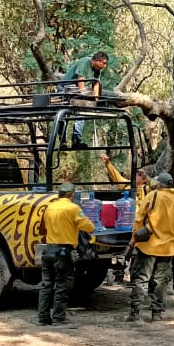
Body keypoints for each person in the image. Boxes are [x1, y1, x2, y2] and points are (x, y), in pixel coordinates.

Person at [126, 171, 174, 322]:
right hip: (168, 248)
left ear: (159, 184)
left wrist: (134, 238)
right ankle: (156, 314)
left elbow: (139, 219)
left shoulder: (152, 195)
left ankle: (135, 313)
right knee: (161, 281)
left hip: (148, 246)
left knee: (141, 279)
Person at [37, 181, 94, 327]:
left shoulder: (49, 207)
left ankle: (43, 318)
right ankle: (58, 318)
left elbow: (43, 228)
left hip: (48, 250)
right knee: (63, 285)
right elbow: (88, 227)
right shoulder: (73, 208)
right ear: (72, 195)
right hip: (63, 252)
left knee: (46, 285)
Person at [60, 50, 110, 148]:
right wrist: (83, 96)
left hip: (78, 90)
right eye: (103, 63)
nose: (104, 66)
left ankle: (76, 140)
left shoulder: (97, 69)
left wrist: (95, 99)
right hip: (67, 88)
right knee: (64, 115)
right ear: (97, 60)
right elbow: (81, 81)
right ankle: (63, 141)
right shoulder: (84, 62)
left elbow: (95, 83)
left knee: (81, 114)